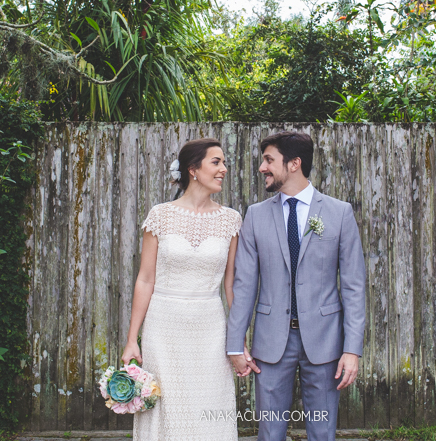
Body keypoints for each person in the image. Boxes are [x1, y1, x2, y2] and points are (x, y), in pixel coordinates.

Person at [226, 131, 367, 441]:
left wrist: (352, 349)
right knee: (270, 432)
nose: (262, 167)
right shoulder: (256, 216)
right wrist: (235, 344)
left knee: (322, 432)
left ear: (294, 163)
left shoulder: (339, 213)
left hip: (326, 342)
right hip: (271, 342)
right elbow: (244, 284)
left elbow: (354, 287)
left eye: (269, 160)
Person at [121, 138, 241, 440]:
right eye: (216, 162)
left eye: (224, 163)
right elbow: (145, 279)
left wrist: (239, 341)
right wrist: (132, 339)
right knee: (167, 410)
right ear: (193, 169)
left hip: (210, 330)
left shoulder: (231, 220)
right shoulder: (160, 216)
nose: (224, 169)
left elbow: (230, 285)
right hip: (163, 328)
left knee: (209, 407)